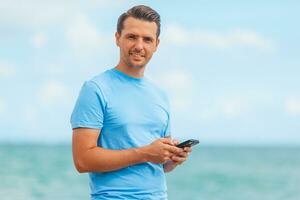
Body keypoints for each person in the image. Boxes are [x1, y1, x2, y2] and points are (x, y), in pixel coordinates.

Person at [70, 5, 192, 200]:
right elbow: (82, 160)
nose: (139, 46)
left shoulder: (160, 95)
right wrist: (145, 153)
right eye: (132, 37)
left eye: (147, 39)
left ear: (156, 45)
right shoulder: (95, 89)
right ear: (118, 38)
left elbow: (157, 164)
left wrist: (172, 160)